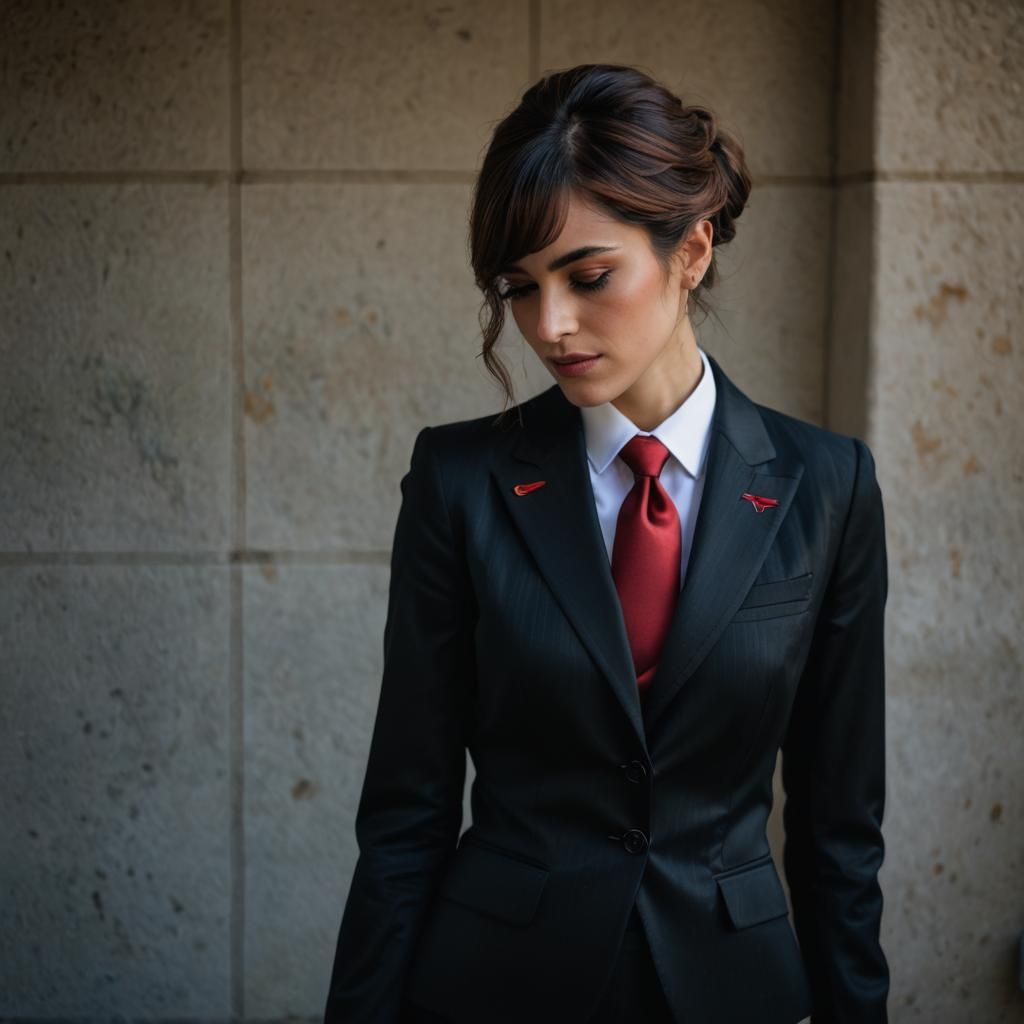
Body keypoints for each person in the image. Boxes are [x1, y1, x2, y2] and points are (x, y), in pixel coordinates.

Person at [323, 63, 889, 1024]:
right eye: (521, 286)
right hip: (497, 986)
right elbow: (406, 817)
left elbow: (841, 830)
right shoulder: (460, 485)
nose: (549, 325)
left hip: (733, 990)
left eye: (588, 277)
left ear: (692, 250)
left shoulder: (826, 486)